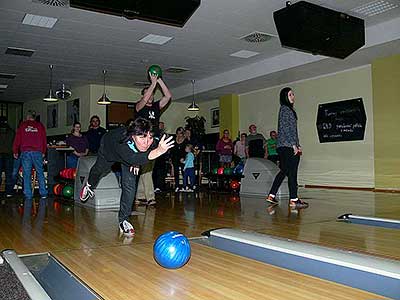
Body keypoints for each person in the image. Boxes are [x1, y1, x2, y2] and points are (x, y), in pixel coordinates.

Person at [79, 118, 174, 237]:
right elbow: (134, 158)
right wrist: (158, 151)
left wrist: (139, 159)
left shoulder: (151, 141)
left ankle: (123, 220)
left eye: (149, 138)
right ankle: (89, 185)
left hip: (131, 156)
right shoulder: (121, 144)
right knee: (99, 170)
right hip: (109, 148)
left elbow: (141, 154)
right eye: (142, 138)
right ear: (133, 136)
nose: (147, 142)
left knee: (129, 185)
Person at [266, 87, 308, 208]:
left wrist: (297, 144)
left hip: (284, 146)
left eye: (293, 94)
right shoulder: (285, 109)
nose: (293, 97)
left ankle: (271, 195)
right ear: (285, 97)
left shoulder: (286, 110)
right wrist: (294, 145)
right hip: (288, 146)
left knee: (284, 170)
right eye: (290, 95)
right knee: (292, 172)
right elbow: (286, 129)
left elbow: (292, 130)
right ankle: (294, 199)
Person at [13, 110, 48, 202]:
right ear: (34, 116)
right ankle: (43, 193)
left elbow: (17, 139)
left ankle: (28, 194)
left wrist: (15, 151)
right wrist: (44, 151)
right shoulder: (40, 126)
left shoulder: (23, 125)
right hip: (37, 152)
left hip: (26, 152)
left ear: (27, 116)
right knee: (40, 172)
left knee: (27, 173)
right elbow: (44, 139)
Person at [0, 116, 15, 197]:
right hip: (9, 154)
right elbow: (14, 143)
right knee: (9, 174)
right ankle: (8, 192)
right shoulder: (11, 131)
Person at [170, 127, 187, 192]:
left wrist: (184, 158)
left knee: (183, 172)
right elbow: (171, 150)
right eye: (178, 133)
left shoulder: (185, 141)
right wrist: (171, 158)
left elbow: (187, 150)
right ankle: (177, 186)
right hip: (175, 158)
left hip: (183, 158)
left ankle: (184, 186)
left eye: (181, 133)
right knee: (176, 172)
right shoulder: (174, 140)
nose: (180, 135)